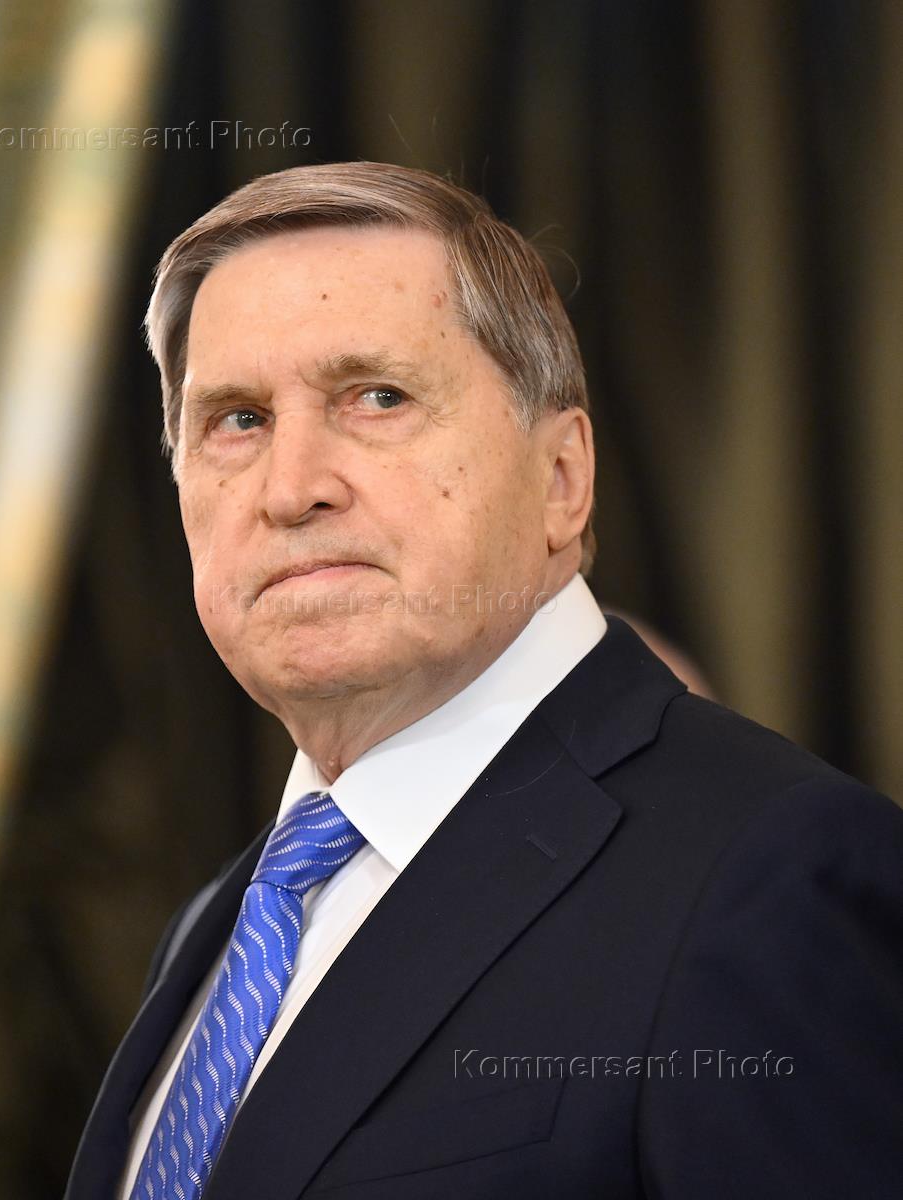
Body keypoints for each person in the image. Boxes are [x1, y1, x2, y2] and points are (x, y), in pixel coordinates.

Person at [65, 162, 903, 1200]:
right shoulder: (223, 922)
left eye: (377, 398)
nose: (290, 488)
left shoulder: (771, 875)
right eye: (237, 419)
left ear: (562, 479)